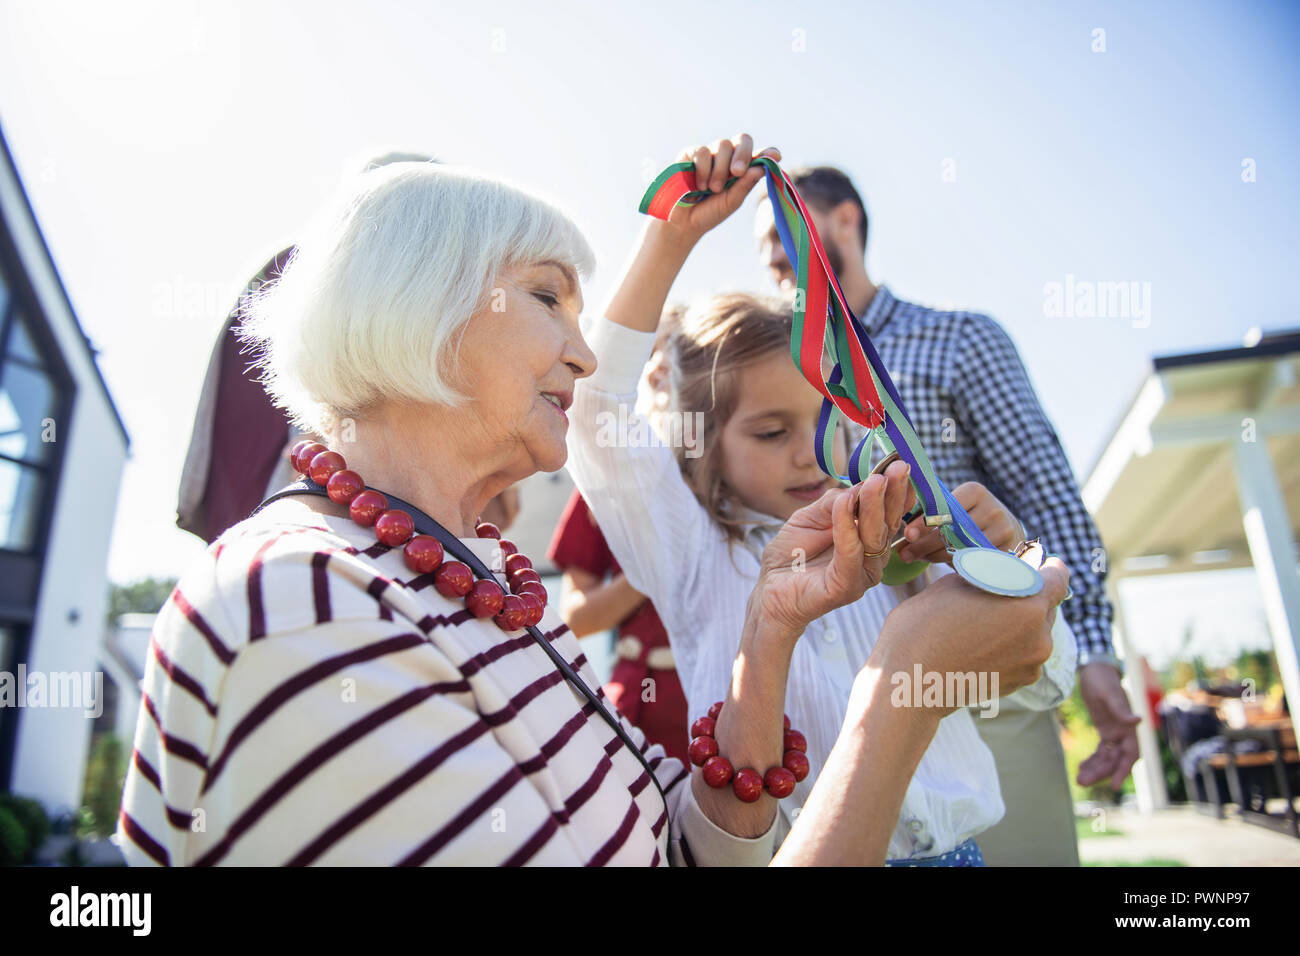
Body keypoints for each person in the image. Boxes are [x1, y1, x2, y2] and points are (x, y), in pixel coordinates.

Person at [118, 140, 1069, 866]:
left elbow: (685, 843)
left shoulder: (494, 595)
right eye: (546, 300)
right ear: (416, 311)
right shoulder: (303, 598)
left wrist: (961, 591)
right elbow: (608, 414)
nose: (580, 352)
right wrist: (896, 690)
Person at [565, 141, 1076, 865]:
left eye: (825, 419)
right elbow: (595, 410)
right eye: (771, 432)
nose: (809, 452)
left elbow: (1042, 678)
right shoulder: (688, 550)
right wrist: (669, 237)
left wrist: (1004, 563)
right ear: (701, 444)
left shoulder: (901, 532)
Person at [754, 164, 1137, 865]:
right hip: (857, 703)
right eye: (764, 244)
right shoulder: (784, 372)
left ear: (845, 221)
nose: (774, 253)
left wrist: (1095, 651)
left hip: (992, 687)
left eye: (786, 229)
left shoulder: (960, 339)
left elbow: (1045, 489)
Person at [548, 305, 690, 765]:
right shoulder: (602, 483)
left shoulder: (746, 475)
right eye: (650, 360)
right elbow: (577, 617)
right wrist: (651, 560)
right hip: (641, 708)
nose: (660, 375)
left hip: (733, 702)